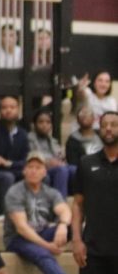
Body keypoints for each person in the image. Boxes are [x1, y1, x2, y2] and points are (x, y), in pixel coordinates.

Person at [3, 151, 71, 274]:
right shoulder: (15, 192)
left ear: (45, 172)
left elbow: (65, 210)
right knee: (43, 255)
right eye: (30, 167)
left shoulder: (50, 192)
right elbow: (21, 228)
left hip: (41, 233)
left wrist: (63, 225)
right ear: (24, 171)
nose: (33, 171)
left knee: (74, 226)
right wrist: (47, 246)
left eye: (38, 167)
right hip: (17, 239)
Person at [72, 111, 118, 273]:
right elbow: (77, 204)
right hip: (93, 250)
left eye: (113, 125)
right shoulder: (86, 162)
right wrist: (76, 240)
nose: (108, 129)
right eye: (104, 125)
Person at [28, 108, 72, 198]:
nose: (45, 125)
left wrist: (61, 162)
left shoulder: (53, 141)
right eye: (41, 122)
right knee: (62, 170)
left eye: (48, 122)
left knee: (77, 170)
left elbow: (61, 157)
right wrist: (48, 162)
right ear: (34, 124)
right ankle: (60, 205)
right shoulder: (29, 139)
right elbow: (32, 158)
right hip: (43, 168)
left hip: (57, 167)